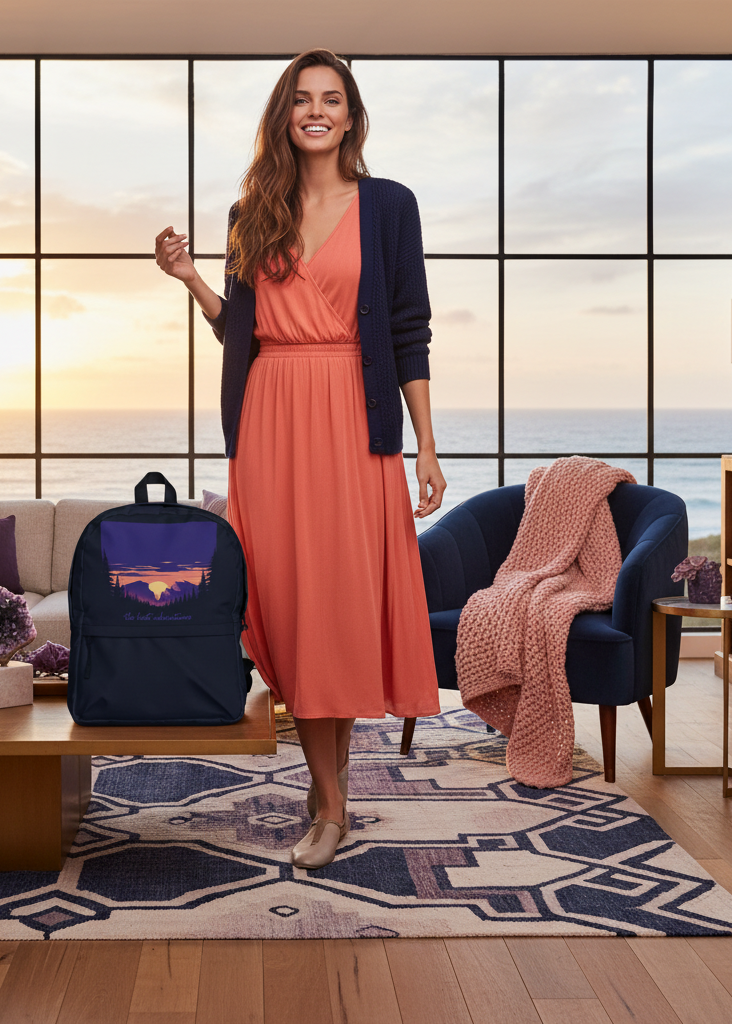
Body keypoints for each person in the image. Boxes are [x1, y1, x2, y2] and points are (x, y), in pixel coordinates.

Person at [154, 48, 443, 869]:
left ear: (351, 116)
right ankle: (330, 790)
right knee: (288, 604)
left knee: (340, 606)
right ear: (286, 115)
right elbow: (240, 328)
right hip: (272, 418)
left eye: (333, 99)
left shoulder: (389, 206)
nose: (317, 111)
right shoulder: (255, 210)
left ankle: (331, 800)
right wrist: (190, 280)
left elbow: (408, 331)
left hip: (354, 417)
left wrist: (424, 444)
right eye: (302, 99)